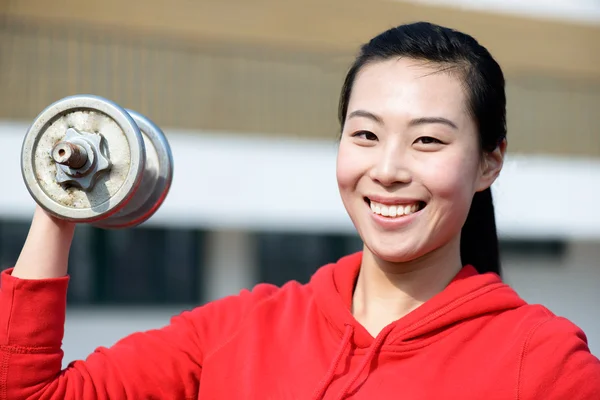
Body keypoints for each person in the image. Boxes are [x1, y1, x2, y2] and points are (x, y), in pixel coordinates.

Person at [2, 21, 599, 400]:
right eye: (365, 135)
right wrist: (60, 206)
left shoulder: (541, 362)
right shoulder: (236, 330)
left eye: (428, 140)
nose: (387, 168)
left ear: (489, 164)